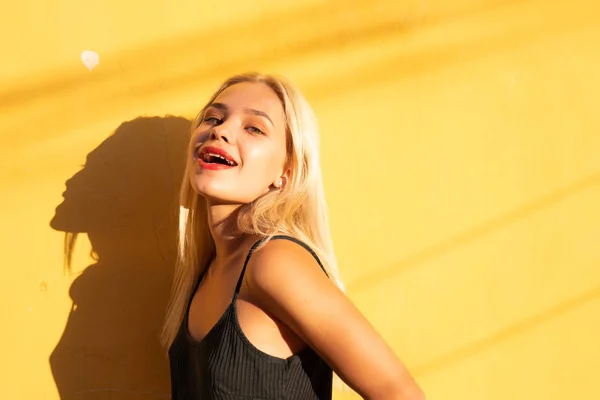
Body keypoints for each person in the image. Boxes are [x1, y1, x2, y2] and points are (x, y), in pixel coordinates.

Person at [162, 72, 425, 400]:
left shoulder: (274, 261)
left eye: (254, 128)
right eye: (213, 117)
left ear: (284, 174)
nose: (220, 130)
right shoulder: (203, 274)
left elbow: (402, 395)